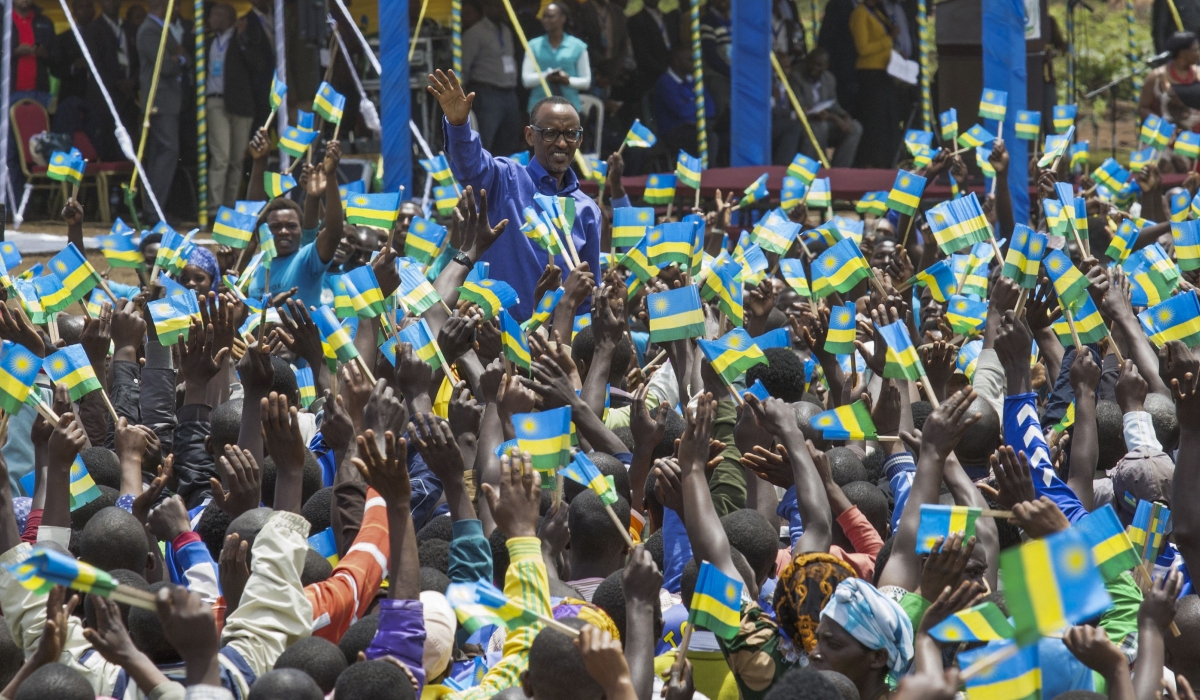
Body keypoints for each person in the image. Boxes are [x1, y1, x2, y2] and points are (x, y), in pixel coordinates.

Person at [431, 69, 600, 321]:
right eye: (550, 133)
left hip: (555, 338)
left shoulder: (588, 210)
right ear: (530, 136)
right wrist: (458, 126)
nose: (562, 143)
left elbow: (586, 295)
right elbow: (470, 167)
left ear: (580, 139)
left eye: (570, 134)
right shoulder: (505, 179)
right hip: (497, 335)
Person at [137, 0, 185, 224]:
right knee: (167, 151)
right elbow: (164, 65)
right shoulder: (149, 30)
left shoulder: (160, 29)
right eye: (176, 6)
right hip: (159, 101)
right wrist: (179, 58)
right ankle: (153, 211)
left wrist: (178, 57)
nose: (178, 10)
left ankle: (155, 209)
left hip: (166, 101)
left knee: (161, 153)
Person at [205, 3, 255, 218]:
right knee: (221, 157)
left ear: (229, 18)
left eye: (216, 14)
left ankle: (229, 207)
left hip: (241, 105)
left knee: (236, 160)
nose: (211, 18)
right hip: (216, 102)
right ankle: (214, 209)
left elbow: (257, 64)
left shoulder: (243, 38)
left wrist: (243, 38)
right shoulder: (207, 42)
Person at [460, 0, 521, 155]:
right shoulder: (475, 33)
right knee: (485, 139)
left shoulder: (506, 31)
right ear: (486, 7)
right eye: (497, 5)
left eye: (503, 6)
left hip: (509, 92)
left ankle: (505, 169)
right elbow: (463, 67)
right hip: (487, 93)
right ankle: (481, 170)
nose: (501, 10)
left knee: (510, 140)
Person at [81, 0, 140, 162]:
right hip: (105, 98)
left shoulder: (130, 28)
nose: (111, 3)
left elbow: (140, 61)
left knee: (130, 145)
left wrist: (132, 82)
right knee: (108, 145)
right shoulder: (92, 29)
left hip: (128, 97)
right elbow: (95, 64)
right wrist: (118, 83)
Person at [791, 47, 862, 168]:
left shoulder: (829, 79)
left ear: (826, 66)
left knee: (855, 128)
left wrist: (845, 117)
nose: (814, 67)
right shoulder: (796, 77)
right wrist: (833, 118)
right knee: (820, 127)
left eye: (819, 65)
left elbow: (834, 105)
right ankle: (817, 168)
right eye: (812, 63)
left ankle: (840, 170)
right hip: (805, 121)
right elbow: (800, 108)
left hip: (825, 118)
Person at [849, 0, 898, 168]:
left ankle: (885, 160)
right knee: (874, 119)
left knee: (885, 119)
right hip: (870, 72)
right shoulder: (860, 14)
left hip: (885, 71)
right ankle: (871, 161)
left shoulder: (877, 12)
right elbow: (863, 48)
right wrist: (888, 39)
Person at [521, 3, 592, 113]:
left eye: (550, 16)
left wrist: (567, 80)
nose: (546, 20)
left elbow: (586, 82)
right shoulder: (533, 46)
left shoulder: (577, 46)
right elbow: (526, 80)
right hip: (540, 111)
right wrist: (547, 76)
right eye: (544, 17)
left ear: (563, 18)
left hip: (569, 110)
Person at [651, 48, 715, 159]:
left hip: (697, 126)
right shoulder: (665, 82)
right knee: (709, 137)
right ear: (676, 61)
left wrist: (690, 105)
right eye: (690, 60)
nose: (695, 63)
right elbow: (681, 111)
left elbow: (711, 109)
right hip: (673, 131)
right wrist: (699, 105)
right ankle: (709, 169)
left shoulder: (695, 80)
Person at [1140, 31, 1200, 129]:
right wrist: (1161, 127)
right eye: (1196, 50)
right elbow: (1143, 108)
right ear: (1183, 53)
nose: (1198, 53)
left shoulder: (1198, 73)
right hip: (1167, 134)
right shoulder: (1157, 76)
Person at [626, 0, 679, 100]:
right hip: (651, 77)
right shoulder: (636, 20)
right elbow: (641, 54)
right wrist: (663, 71)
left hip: (672, 70)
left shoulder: (668, 18)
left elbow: (675, 44)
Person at [242, 0, 277, 130]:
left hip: (281, 75)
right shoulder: (246, 17)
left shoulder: (278, 14)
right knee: (262, 122)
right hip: (260, 81)